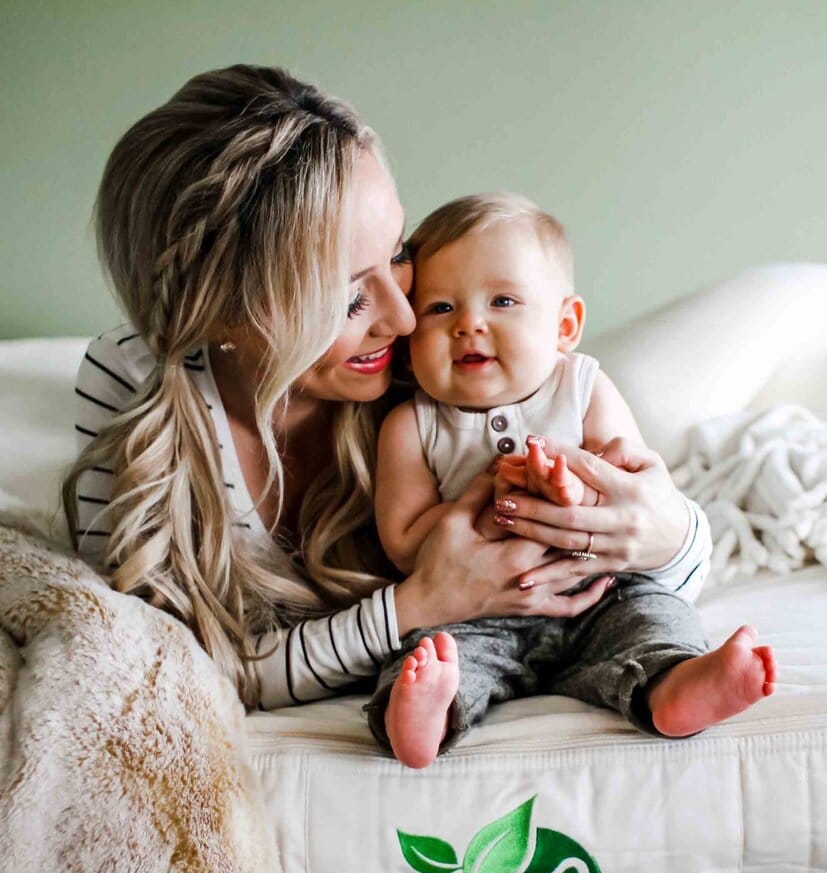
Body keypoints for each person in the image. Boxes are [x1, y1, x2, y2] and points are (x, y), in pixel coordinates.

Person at [61, 65, 701, 718]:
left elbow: (674, 569)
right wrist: (422, 605)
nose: (403, 317)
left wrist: (660, 532)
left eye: (396, 255)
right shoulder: (136, 381)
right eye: (347, 300)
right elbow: (158, 668)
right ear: (221, 312)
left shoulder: (437, 356)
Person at [367, 193, 777, 767]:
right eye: (439, 309)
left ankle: (678, 686)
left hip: (599, 593)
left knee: (653, 616)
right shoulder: (411, 425)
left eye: (503, 300)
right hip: (475, 611)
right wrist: (481, 515)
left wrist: (572, 494)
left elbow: (628, 482)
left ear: (564, 325)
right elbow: (405, 542)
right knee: (431, 654)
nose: (469, 325)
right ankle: (426, 714)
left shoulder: (582, 386)